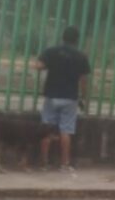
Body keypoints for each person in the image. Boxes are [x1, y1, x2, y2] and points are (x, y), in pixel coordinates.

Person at [33, 26, 91, 172]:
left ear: (62, 37)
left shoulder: (51, 51)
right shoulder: (81, 56)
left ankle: (44, 163)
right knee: (66, 130)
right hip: (70, 97)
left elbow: (38, 66)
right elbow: (84, 80)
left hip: (51, 95)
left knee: (47, 128)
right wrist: (84, 97)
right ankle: (64, 164)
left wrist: (48, 64)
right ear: (77, 40)